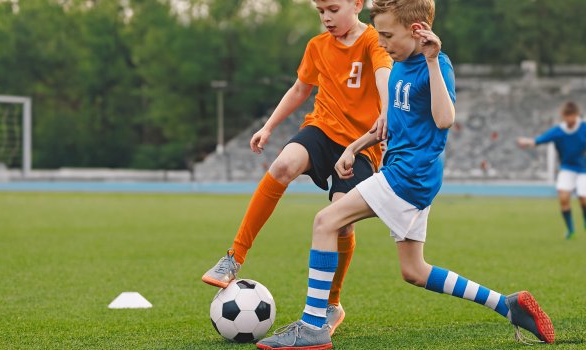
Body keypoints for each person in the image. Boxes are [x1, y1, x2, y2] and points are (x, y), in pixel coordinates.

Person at [257, 1, 554, 348]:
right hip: (409, 173)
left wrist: (431, 60)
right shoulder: (397, 63)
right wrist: (353, 148)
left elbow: (445, 119)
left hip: (409, 175)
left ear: (416, 31)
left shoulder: (436, 64)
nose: (380, 43)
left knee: (326, 222)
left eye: (386, 35)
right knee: (414, 271)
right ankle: (508, 305)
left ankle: (312, 327)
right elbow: (387, 125)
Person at [201, 0, 393, 335]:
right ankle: (234, 256)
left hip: (360, 146)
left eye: (333, 9)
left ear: (357, 4)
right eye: (320, 11)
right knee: (282, 166)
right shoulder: (317, 46)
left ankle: (332, 304)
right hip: (321, 129)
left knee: (340, 223)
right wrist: (269, 126)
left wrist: (388, 113)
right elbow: (301, 89)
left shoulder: (374, 41)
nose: (326, 18)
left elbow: (384, 77)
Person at [517, 102, 586, 239]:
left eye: (571, 116)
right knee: (563, 198)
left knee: (583, 198)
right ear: (563, 116)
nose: (569, 120)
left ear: (576, 115)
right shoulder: (558, 131)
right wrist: (527, 142)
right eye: (566, 117)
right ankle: (571, 231)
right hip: (567, 168)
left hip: (584, 168)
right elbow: (540, 140)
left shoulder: (585, 128)